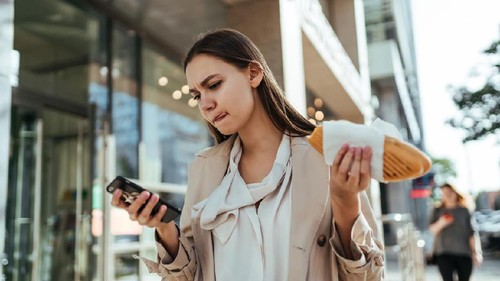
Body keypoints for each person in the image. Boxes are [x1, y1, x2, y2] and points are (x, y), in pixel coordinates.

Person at [111, 28, 384, 280]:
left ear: (253, 74)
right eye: (197, 95)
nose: (205, 104)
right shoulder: (204, 168)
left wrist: (346, 204)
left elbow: (370, 277)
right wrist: (164, 229)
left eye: (214, 85)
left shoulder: (323, 157)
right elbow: (187, 276)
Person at [429, 183, 483, 281]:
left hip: (464, 253)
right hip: (444, 253)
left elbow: (472, 233)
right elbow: (432, 230)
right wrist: (441, 222)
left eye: (450, 192)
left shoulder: (464, 211)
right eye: (444, 193)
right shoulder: (437, 210)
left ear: (456, 193)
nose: (447, 195)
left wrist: (476, 253)